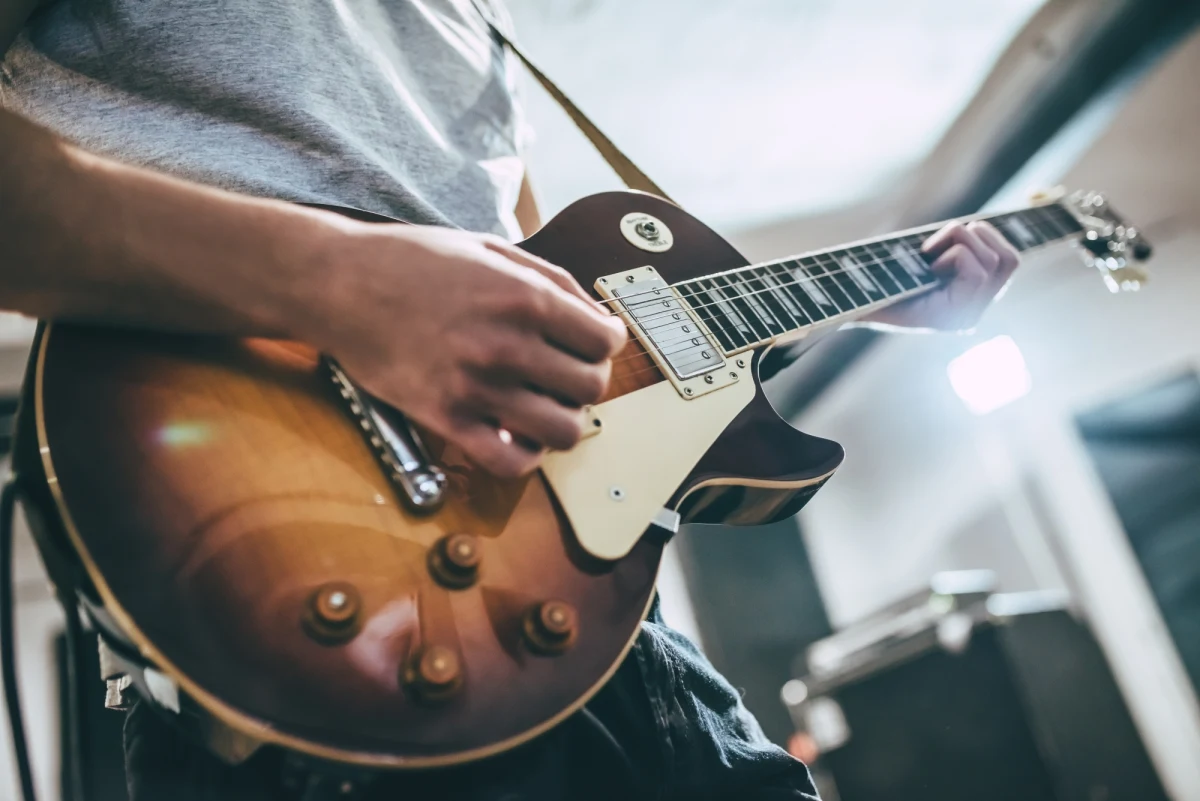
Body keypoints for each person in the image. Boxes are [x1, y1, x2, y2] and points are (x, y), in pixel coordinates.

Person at [0, 2, 1021, 799]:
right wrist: (337, 283)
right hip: (297, 622)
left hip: (586, 609)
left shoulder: (478, 15)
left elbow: (579, 325)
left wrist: (841, 305)